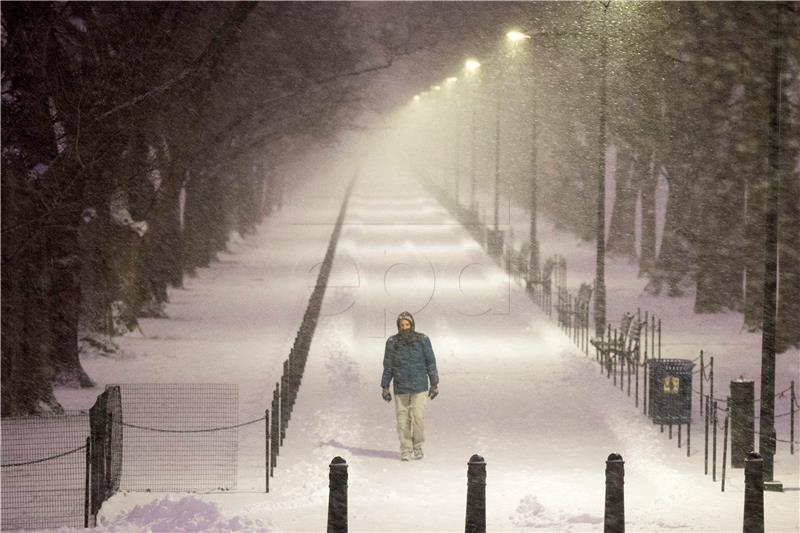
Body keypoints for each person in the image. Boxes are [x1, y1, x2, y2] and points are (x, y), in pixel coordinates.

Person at [380, 310, 439, 461]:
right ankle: (406, 449)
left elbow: (430, 362)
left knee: (418, 417)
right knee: (402, 421)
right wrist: (385, 386)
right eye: (402, 325)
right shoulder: (392, 342)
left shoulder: (423, 340)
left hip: (419, 386)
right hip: (401, 388)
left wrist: (434, 383)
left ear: (412, 325)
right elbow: (388, 365)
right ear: (398, 326)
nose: (405, 327)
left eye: (407, 324)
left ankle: (417, 446)